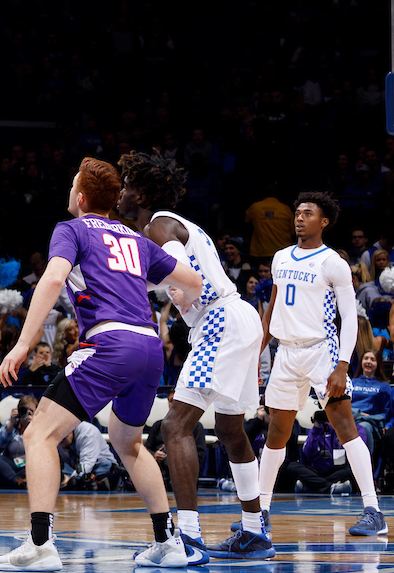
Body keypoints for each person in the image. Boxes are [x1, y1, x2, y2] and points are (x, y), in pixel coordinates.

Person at [0, 158, 203, 571]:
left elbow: (52, 280)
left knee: (38, 436)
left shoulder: (71, 229)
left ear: (81, 197)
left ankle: (40, 545)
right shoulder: (136, 240)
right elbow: (190, 280)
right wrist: (166, 295)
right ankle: (169, 542)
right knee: (128, 442)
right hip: (148, 349)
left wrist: (22, 345)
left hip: (110, 343)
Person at [118, 150, 270, 560]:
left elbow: (181, 271)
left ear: (142, 192)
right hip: (238, 318)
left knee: (174, 426)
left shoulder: (158, 224)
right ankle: (255, 531)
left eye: (127, 185)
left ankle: (187, 535)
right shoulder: (173, 224)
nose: (121, 192)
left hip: (218, 320)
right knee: (231, 432)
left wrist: (179, 291)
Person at [257, 192, 385, 537]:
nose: (299, 218)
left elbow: (348, 316)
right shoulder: (281, 257)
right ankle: (261, 510)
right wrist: (259, 350)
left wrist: (342, 365)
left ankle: (373, 510)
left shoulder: (333, 262)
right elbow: (272, 306)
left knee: (345, 427)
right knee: (276, 433)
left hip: (322, 351)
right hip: (285, 352)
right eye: (297, 212)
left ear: (324, 221)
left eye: (307, 213)